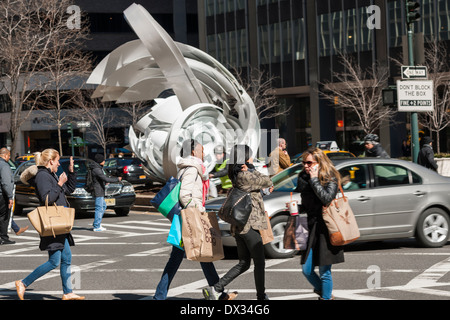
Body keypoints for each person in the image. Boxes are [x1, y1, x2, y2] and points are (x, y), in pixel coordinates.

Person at [153, 140, 235, 300]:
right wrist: (197, 212)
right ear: (193, 152)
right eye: (201, 150)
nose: (203, 153)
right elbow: (185, 194)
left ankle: (218, 293)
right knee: (194, 256)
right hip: (190, 218)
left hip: (187, 218)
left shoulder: (188, 168)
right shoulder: (191, 169)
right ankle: (218, 293)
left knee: (199, 256)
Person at [203, 144, 273, 301]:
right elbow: (267, 181)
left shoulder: (237, 176)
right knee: (259, 263)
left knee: (244, 263)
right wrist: (251, 168)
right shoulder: (245, 176)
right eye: (250, 156)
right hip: (249, 226)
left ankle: (216, 289)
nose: (252, 158)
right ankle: (261, 297)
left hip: (240, 226)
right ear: (244, 158)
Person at [16, 149, 85, 300]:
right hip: (52, 225)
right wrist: (59, 183)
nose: (59, 163)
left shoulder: (50, 175)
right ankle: (23, 283)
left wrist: (71, 173)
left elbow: (69, 190)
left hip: (59, 224)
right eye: (58, 160)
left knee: (66, 259)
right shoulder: (42, 176)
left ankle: (68, 292)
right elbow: (47, 198)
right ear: (51, 161)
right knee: (54, 262)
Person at [295, 147, 344, 300]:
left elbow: (326, 199)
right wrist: (296, 208)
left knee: (325, 272)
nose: (305, 166)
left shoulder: (330, 177)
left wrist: (315, 179)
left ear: (319, 162)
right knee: (306, 269)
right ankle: (324, 291)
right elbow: (310, 204)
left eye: (309, 162)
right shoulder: (304, 177)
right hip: (309, 226)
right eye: (303, 162)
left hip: (325, 228)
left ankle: (326, 297)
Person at [90, 153, 121, 232]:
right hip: (98, 191)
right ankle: (97, 226)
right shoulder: (97, 169)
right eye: (103, 160)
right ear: (100, 161)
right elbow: (106, 179)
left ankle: (97, 223)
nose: (104, 161)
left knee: (103, 206)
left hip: (100, 190)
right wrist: (117, 179)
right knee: (99, 208)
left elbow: (101, 179)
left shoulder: (97, 168)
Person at [0, 148, 15, 245]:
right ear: (5, 155)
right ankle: (3, 237)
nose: (9, 158)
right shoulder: (4, 166)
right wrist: (10, 196)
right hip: (2, 195)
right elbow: (6, 183)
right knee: (4, 217)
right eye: (9, 156)